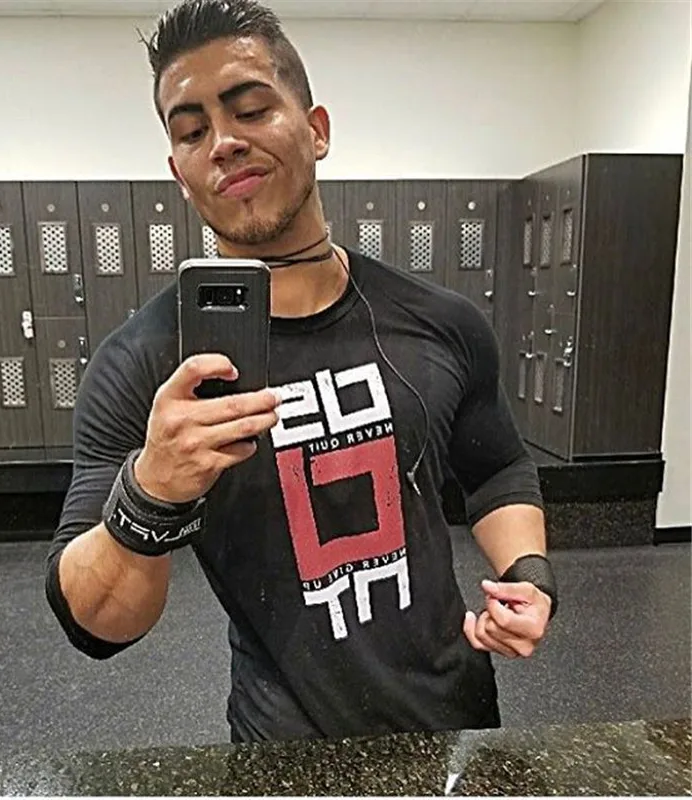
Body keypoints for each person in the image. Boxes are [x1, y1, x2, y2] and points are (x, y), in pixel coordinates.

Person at [45, 0, 558, 743]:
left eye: (251, 110)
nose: (224, 142)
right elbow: (94, 624)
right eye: (192, 131)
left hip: (457, 722)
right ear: (180, 173)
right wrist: (150, 491)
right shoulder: (143, 365)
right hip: (282, 755)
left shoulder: (439, 321)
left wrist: (529, 574)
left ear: (317, 130)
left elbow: (497, 469)